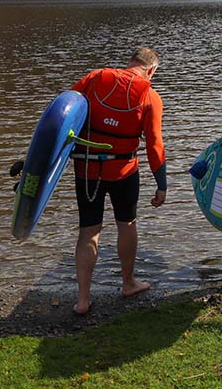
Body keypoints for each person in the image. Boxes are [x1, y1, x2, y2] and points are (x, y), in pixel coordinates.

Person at [69, 47, 168, 316]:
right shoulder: (150, 95)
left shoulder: (95, 77)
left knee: (89, 231)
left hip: (87, 170)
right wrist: (162, 184)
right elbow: (155, 145)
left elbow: (64, 110)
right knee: (127, 224)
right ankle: (128, 283)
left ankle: (82, 300)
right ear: (151, 70)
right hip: (124, 171)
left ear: (130, 63)